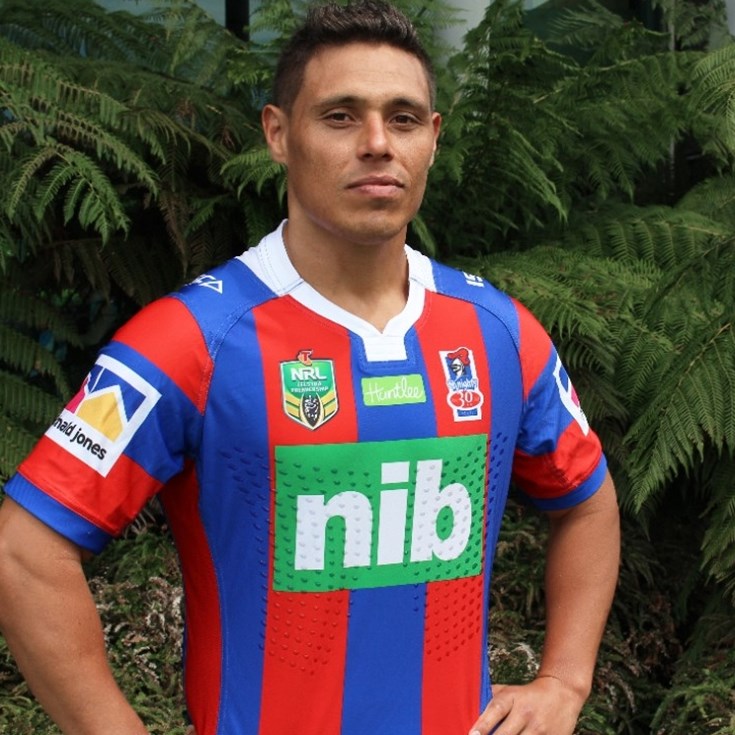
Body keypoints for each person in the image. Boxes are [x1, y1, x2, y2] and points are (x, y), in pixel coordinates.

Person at [0, 1, 620, 734]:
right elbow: (25, 549)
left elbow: (587, 502)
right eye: (340, 116)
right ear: (277, 133)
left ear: (432, 139)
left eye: (403, 118)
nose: (377, 144)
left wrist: (564, 680)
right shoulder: (190, 339)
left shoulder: (500, 334)